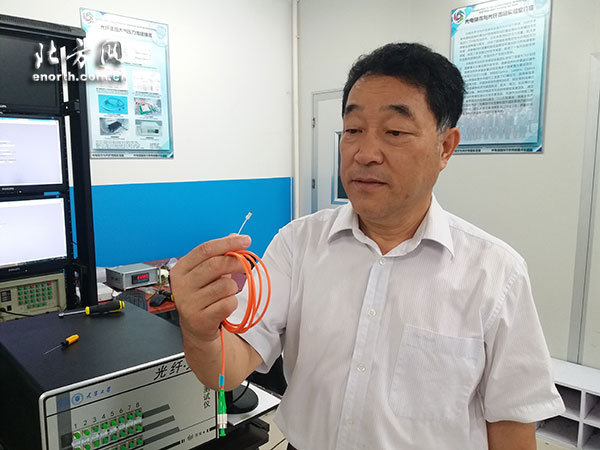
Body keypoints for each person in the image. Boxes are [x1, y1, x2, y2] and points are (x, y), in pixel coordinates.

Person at [170, 43, 565, 450]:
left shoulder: (495, 274)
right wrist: (199, 332)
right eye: (353, 130)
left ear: (445, 147)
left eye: (395, 132)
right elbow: (225, 373)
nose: (365, 154)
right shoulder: (298, 244)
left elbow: (512, 425)